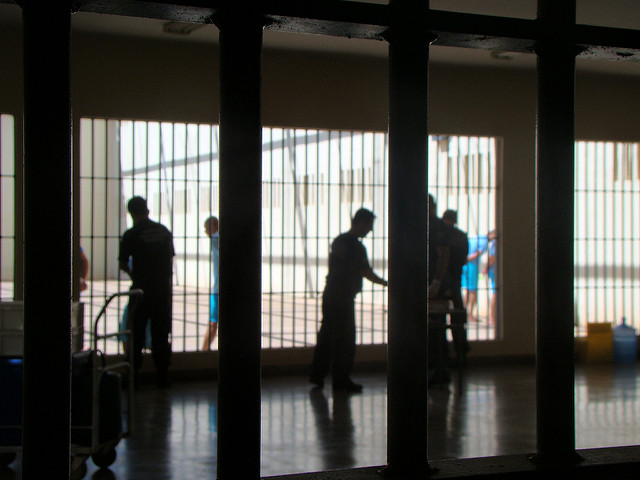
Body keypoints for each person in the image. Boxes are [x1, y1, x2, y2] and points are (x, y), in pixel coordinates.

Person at [309, 208, 388, 393]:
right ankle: (341, 380)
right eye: (369, 225)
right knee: (345, 340)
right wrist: (386, 283)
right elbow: (365, 272)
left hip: (331, 295)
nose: (370, 230)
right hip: (343, 298)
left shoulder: (339, 241)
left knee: (327, 336)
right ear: (361, 223)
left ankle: (317, 376)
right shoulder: (357, 246)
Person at [119, 196, 175, 388]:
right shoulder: (164, 231)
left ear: (131, 212)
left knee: (136, 333)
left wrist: (135, 274)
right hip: (161, 290)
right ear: (147, 210)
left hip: (141, 290)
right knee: (161, 333)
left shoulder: (131, 234)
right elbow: (169, 259)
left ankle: (134, 375)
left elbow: (123, 263)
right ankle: (162, 374)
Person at [427, 195, 452, 386]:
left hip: (436, 286)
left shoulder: (438, 227)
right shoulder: (422, 225)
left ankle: (439, 371)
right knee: (428, 329)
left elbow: (444, 256)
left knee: (436, 328)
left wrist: (436, 282)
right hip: (426, 283)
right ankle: (433, 370)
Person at [442, 209, 470, 364]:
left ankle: (441, 355)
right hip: (456, 279)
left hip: (441, 280)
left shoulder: (441, 234)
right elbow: (464, 259)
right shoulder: (461, 236)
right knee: (458, 318)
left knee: (437, 318)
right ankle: (461, 352)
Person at [461, 234, 488, 323]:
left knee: (468, 291)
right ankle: (469, 315)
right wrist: (468, 259)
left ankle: (463, 314)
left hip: (465, 265)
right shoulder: (484, 241)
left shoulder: (474, 238)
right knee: (473, 291)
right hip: (472, 265)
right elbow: (478, 253)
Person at [202, 216, 219, 351]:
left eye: (206, 228)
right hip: (219, 288)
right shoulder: (217, 239)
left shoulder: (216, 239)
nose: (205, 231)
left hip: (218, 290)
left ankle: (204, 351)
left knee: (213, 322)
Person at [484, 230, 497, 325]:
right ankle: (492, 318)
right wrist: (487, 268)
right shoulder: (495, 243)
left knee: (495, 294)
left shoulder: (493, 243)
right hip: (495, 272)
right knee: (495, 294)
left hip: (494, 271)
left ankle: (493, 317)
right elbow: (492, 257)